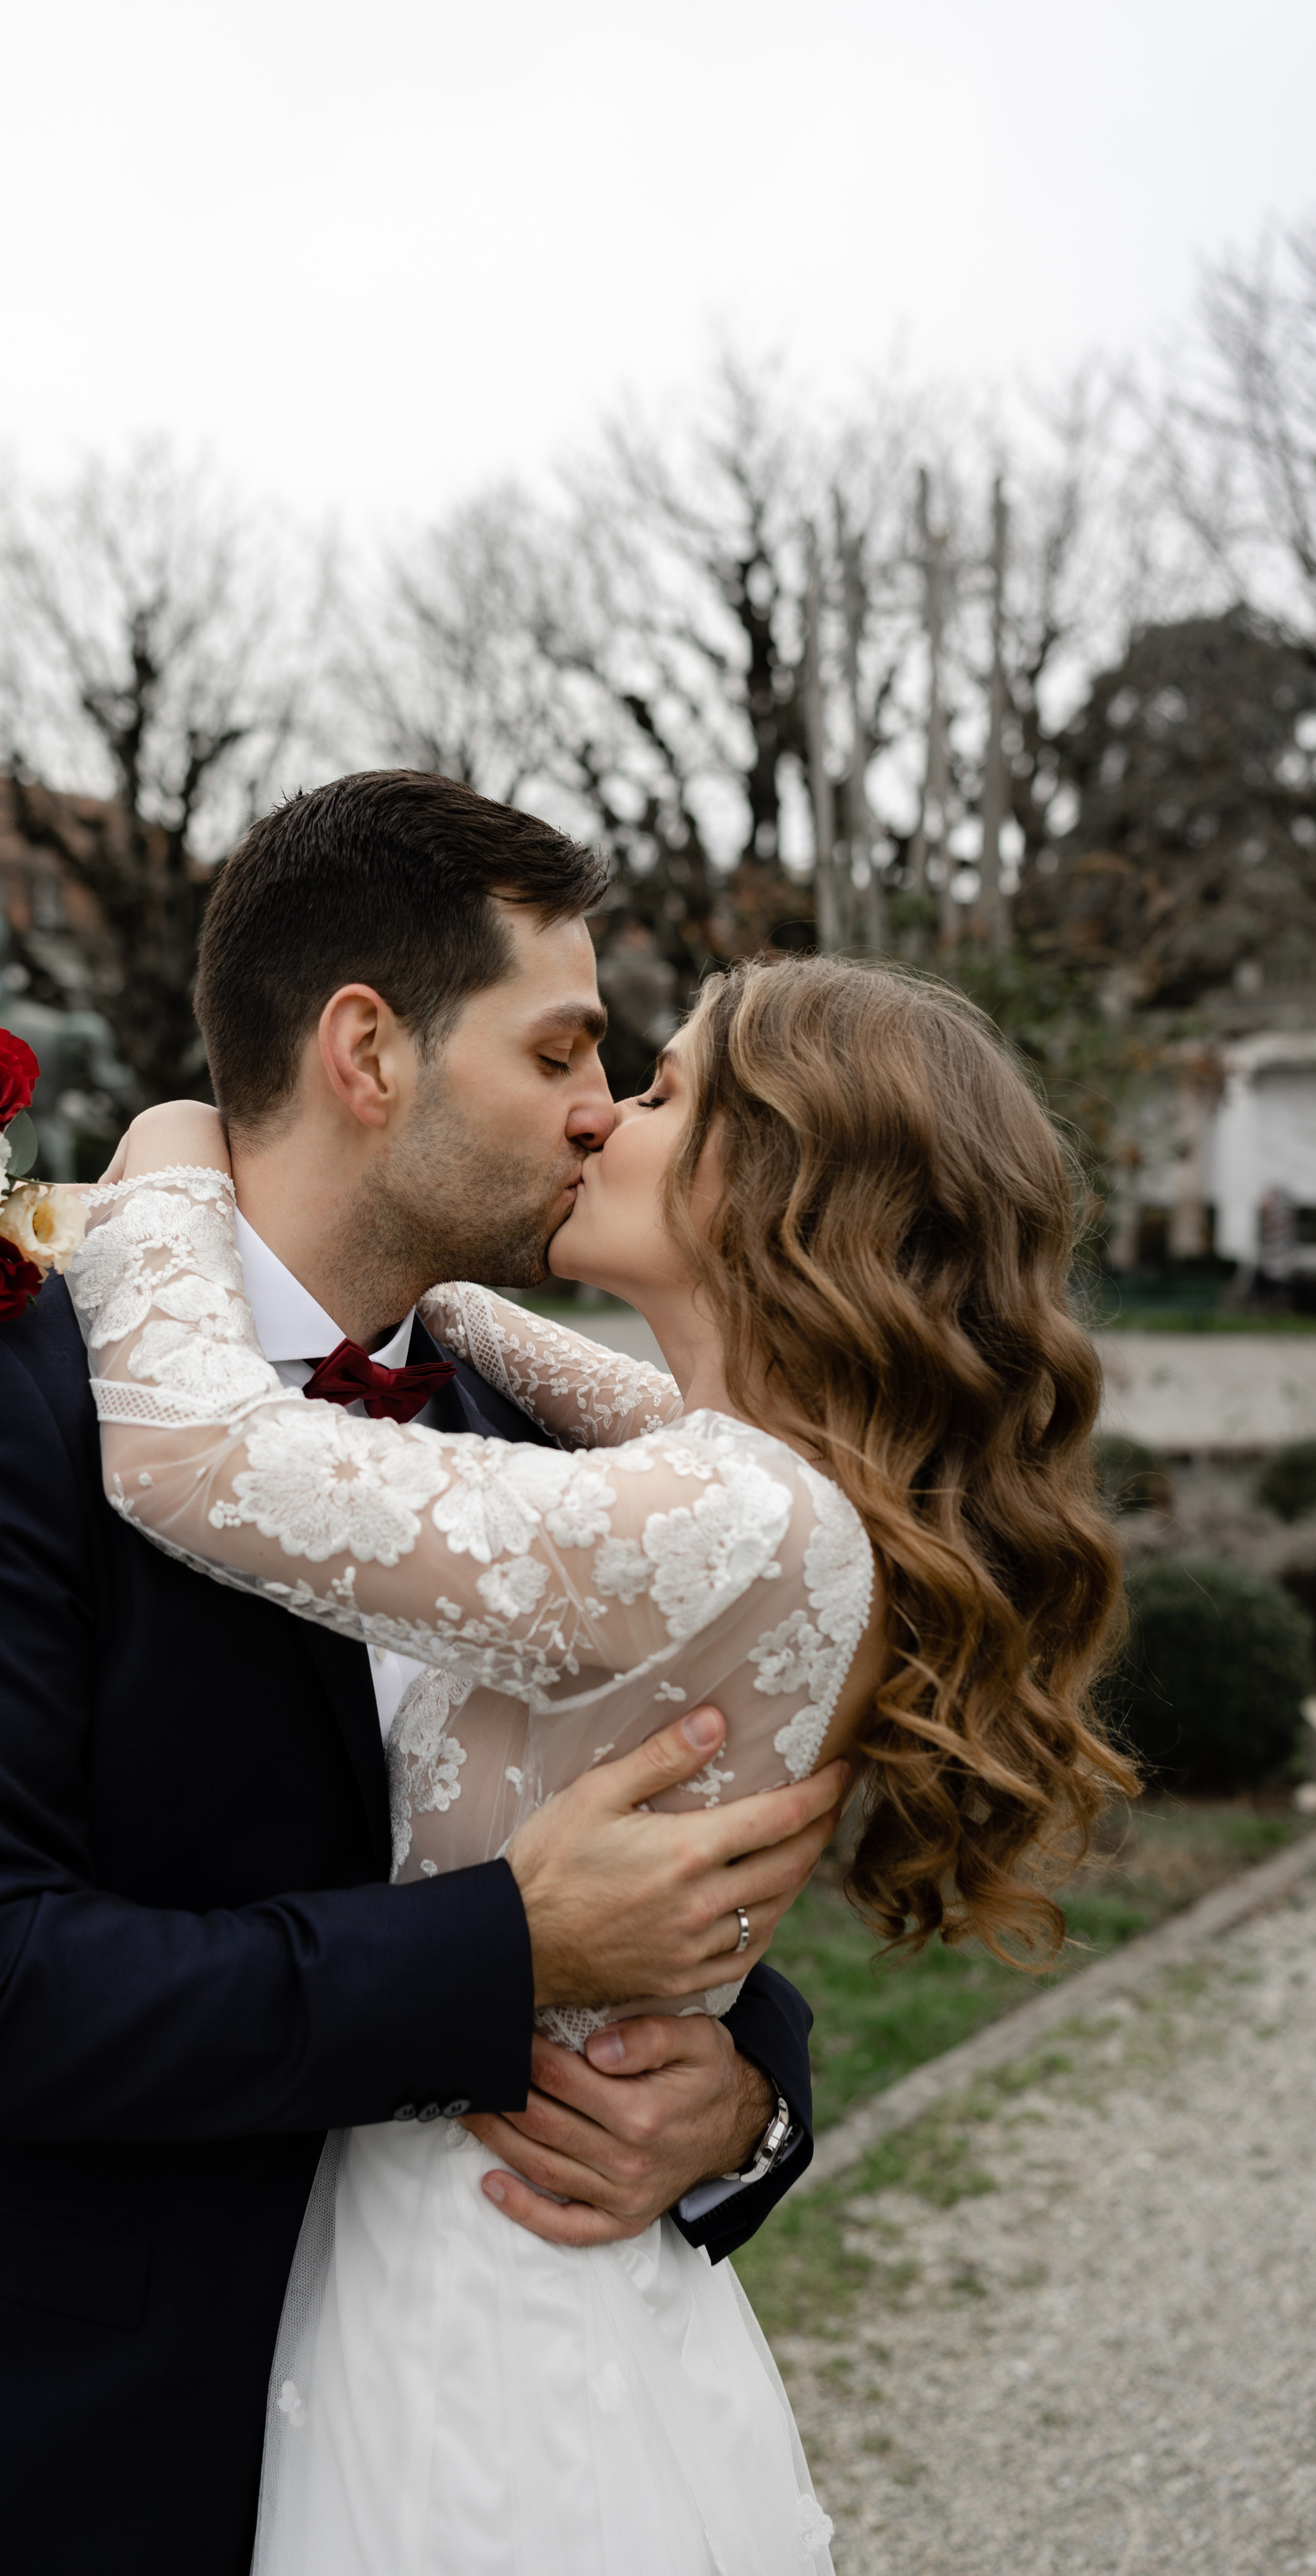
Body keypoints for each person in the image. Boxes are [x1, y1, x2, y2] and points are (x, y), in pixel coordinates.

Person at [0, 773, 842, 2576]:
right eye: (561, 1051)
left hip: (466, 2445)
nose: (601, 1113)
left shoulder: (538, 1435)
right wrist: (508, 1955)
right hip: (61, 2463)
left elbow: (644, 1875)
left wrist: (745, 2101)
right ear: (370, 1051)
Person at [81, 916, 1131, 2573]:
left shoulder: (729, 1515)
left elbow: (194, 1458)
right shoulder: (783, 1479)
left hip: (470, 2276)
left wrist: (163, 1161)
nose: (596, 1119)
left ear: (769, 1185)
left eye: (653, 1095)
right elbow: (534, 1361)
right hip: (527, 2235)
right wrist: (416, 1272)